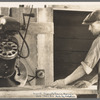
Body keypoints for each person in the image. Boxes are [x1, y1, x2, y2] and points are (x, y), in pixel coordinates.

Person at [51, 10, 100, 88]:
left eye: (91, 25)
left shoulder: (98, 41)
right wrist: (90, 82)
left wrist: (64, 82)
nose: (89, 29)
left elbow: (85, 68)